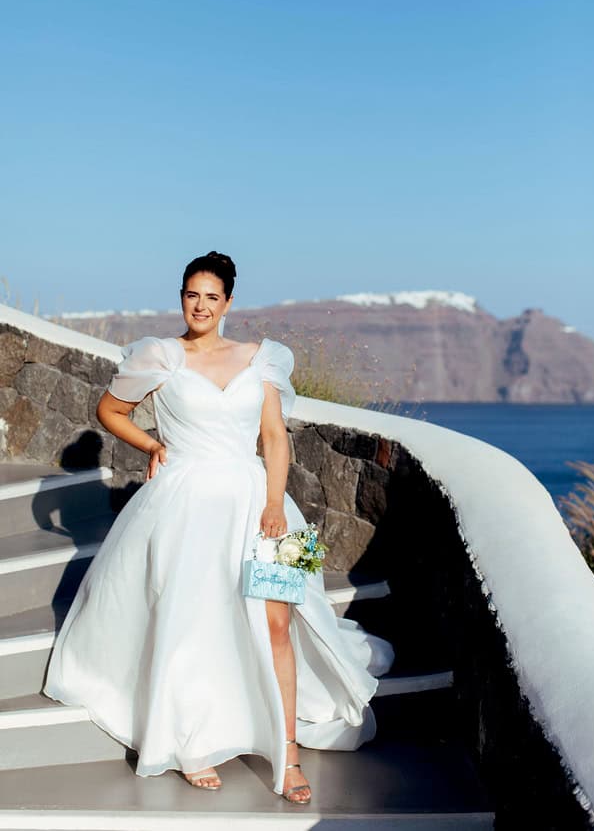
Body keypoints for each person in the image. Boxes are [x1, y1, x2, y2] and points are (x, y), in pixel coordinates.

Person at [43, 250, 394, 804]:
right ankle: (193, 742)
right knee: (193, 621)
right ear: (181, 298)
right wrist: (152, 444)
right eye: (192, 295)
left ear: (229, 302)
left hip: (265, 505)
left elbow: (275, 437)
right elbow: (109, 411)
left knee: (280, 622)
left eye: (212, 297)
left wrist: (275, 504)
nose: (201, 306)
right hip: (186, 504)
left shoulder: (262, 358)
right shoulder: (160, 355)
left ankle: (288, 755)